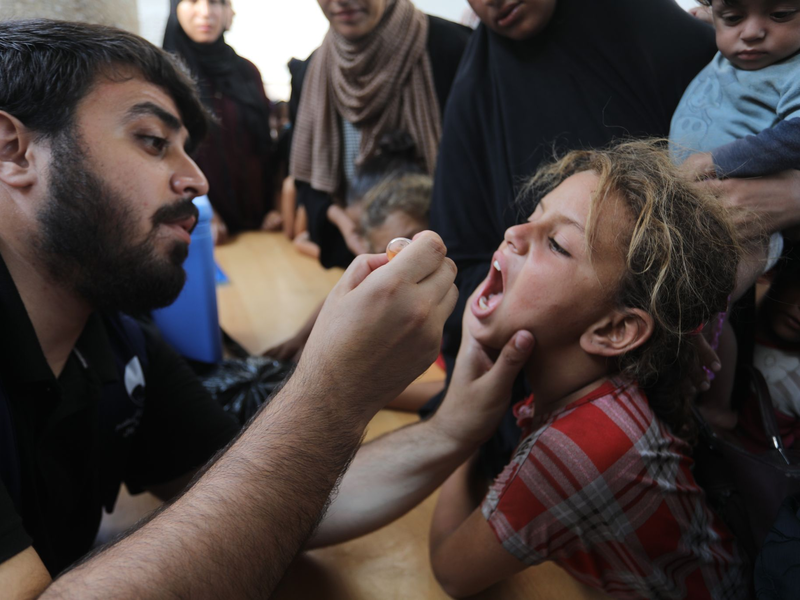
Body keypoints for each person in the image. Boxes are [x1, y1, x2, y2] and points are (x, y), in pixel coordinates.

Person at [0, 20, 535, 599]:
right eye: (153, 140)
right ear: (14, 151)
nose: (198, 180)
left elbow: (274, 496)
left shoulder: (116, 341)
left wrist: (456, 425)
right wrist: (330, 389)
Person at [428, 0, 800, 476]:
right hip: (540, 398)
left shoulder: (690, 41)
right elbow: (463, 258)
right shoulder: (479, 86)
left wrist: (791, 199)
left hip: (690, 387)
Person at [429, 140, 746, 598]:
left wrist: (467, 438)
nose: (515, 233)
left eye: (557, 244)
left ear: (615, 329)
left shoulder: (581, 447)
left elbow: (451, 571)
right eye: (534, 213)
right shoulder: (593, 392)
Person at [669, 0, 800, 427]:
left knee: (705, 308)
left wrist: (714, 163)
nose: (753, 32)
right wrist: (712, 19)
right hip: (700, 209)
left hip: (747, 223)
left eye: (780, 14)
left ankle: (715, 407)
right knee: (703, 313)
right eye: (733, 17)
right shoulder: (738, 50)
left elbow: (793, 136)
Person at [290, 0, 471, 269]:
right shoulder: (312, 71)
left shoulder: (455, 49)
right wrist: (340, 218)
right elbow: (306, 182)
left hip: (450, 256)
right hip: (361, 254)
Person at [163, 0, 280, 242]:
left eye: (216, 2)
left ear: (228, 11)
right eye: (194, 1)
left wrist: (276, 206)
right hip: (203, 229)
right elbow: (162, 158)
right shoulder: (163, 77)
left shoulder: (247, 72)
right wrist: (201, 211)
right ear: (175, 8)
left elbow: (266, 147)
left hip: (263, 225)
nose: (206, 12)